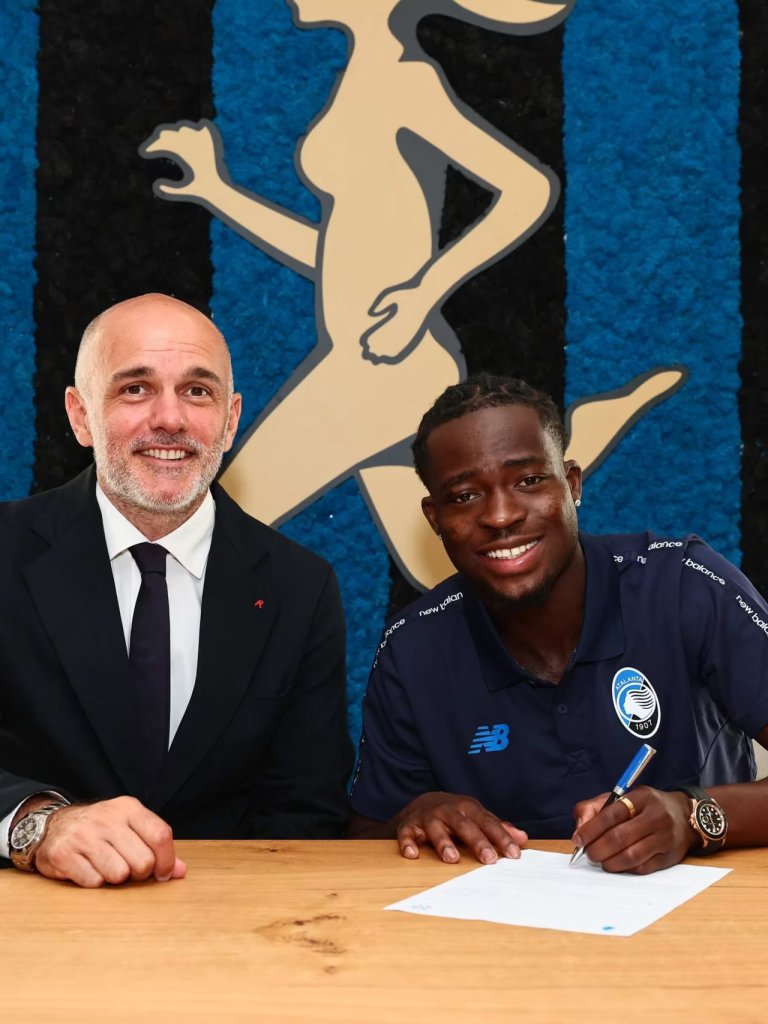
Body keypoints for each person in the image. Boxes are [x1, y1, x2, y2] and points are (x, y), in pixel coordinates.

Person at [139, 0, 682, 591]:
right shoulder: (359, 81)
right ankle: (567, 454)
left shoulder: (403, 82)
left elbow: (524, 189)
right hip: (377, 361)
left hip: (380, 368)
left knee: (219, 528)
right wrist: (221, 193)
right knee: (441, 570)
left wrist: (423, 292)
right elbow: (335, 251)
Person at [349, 373, 768, 874]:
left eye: (528, 481)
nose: (500, 516)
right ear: (434, 517)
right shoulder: (413, 648)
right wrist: (415, 815)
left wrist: (692, 815)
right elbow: (362, 836)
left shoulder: (684, 585)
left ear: (571, 484)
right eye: (464, 496)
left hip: (710, 907)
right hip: (500, 919)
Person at [0, 293, 353, 887]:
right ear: (81, 415)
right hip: (34, 915)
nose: (170, 418)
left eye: (197, 390)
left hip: (231, 918)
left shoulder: (300, 587)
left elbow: (306, 811)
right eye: (135, 388)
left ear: (231, 420)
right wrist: (38, 825)